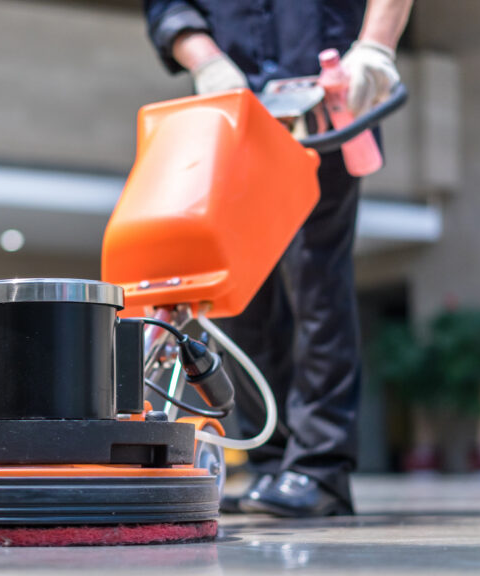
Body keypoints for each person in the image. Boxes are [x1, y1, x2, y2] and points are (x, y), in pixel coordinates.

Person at [143, 0, 413, 517]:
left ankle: (320, 468)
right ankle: (270, 462)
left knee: (317, 280)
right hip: (234, 112)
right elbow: (168, 6)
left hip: (328, 103)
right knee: (241, 293)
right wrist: (207, 61)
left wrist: (376, 46)